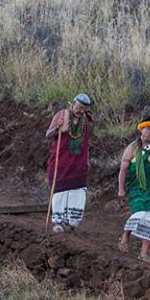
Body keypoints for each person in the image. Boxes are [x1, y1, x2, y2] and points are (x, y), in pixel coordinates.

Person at [116, 119, 150, 259]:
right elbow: (123, 170)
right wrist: (121, 189)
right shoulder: (132, 148)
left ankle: (143, 253)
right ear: (141, 129)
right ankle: (125, 235)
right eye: (148, 128)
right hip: (137, 189)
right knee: (139, 215)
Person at [44, 93, 95, 232]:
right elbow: (48, 134)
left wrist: (87, 159)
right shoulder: (62, 114)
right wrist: (57, 127)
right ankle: (58, 222)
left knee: (77, 190)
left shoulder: (86, 120)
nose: (80, 110)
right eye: (78, 106)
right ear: (73, 103)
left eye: (83, 108)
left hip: (78, 163)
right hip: (61, 161)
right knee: (60, 190)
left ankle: (71, 221)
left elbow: (86, 141)